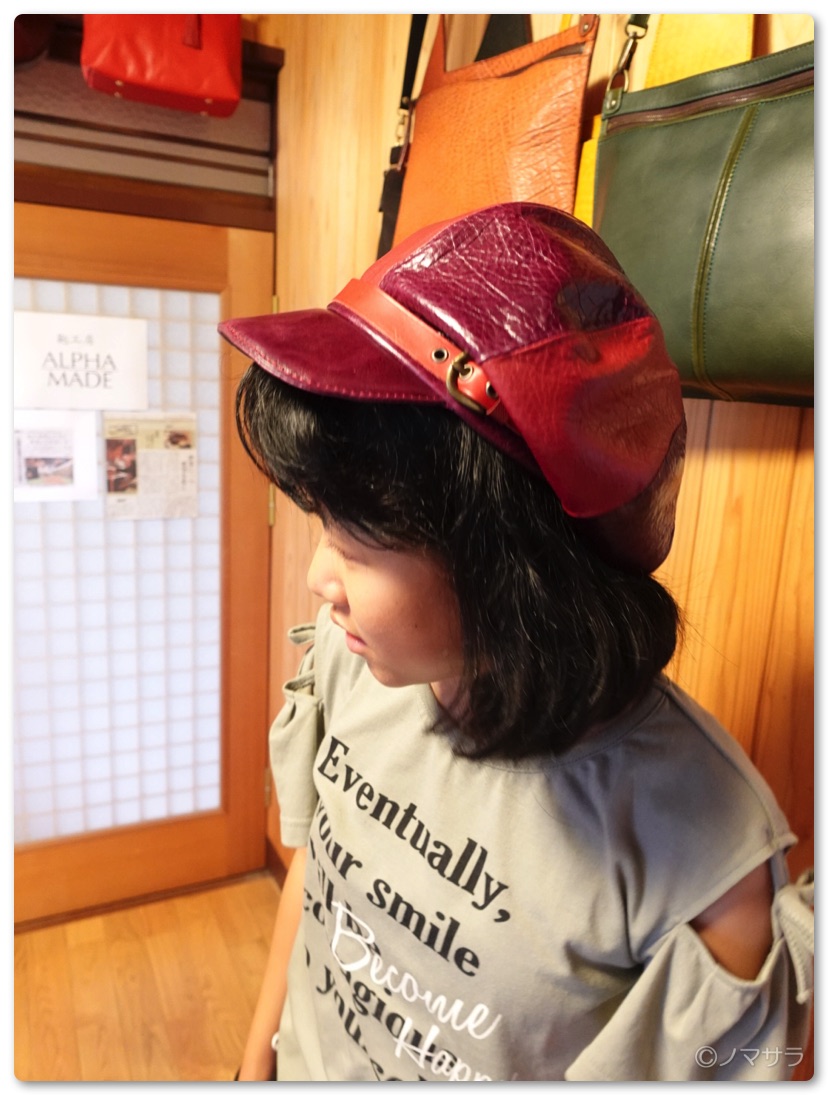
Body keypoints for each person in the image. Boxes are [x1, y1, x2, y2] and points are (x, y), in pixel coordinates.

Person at [220, 203, 813, 1081]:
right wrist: (252, 1066)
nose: (319, 579)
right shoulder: (353, 664)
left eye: (358, 542)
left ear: (508, 556)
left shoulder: (701, 852)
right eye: (323, 525)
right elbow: (316, 886)